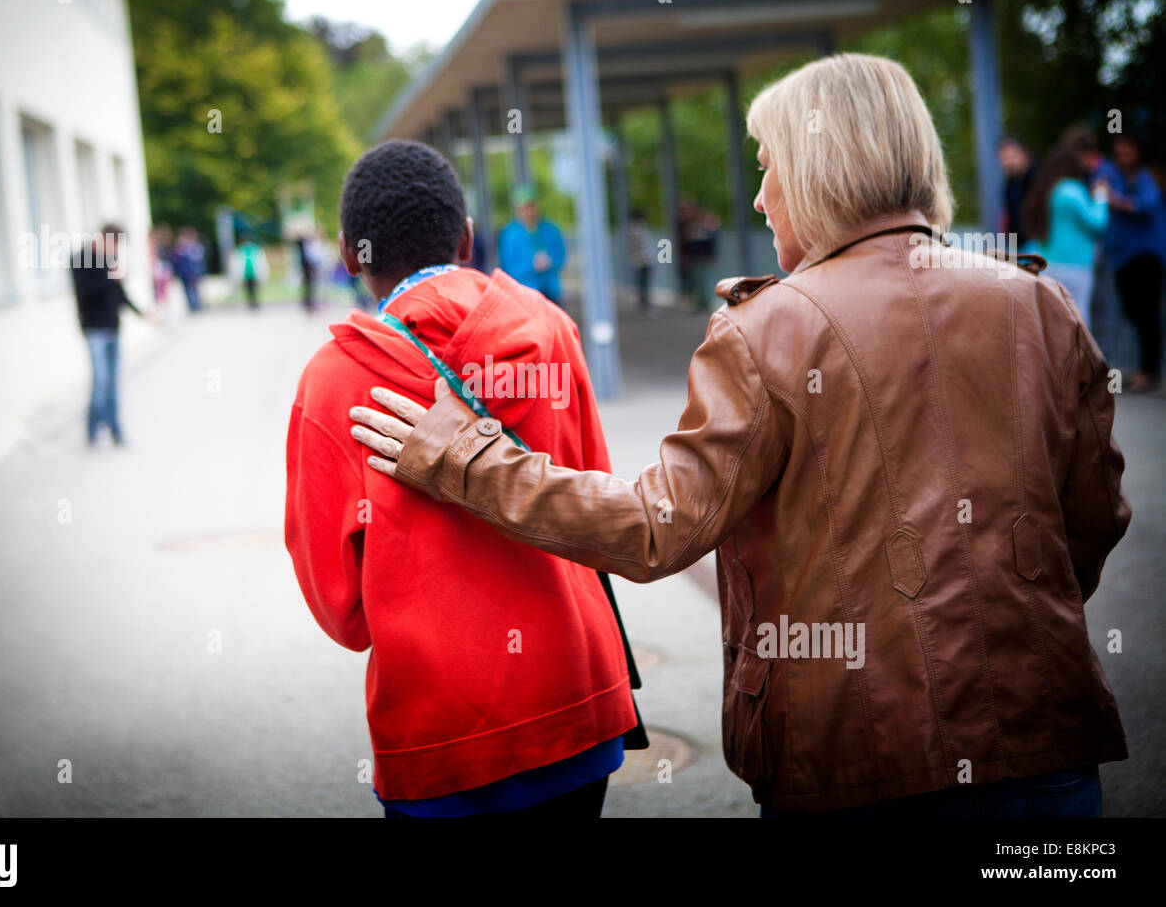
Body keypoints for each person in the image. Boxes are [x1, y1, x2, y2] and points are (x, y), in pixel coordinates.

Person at [351, 54, 1132, 818]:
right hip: (1049, 751)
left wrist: (467, 459)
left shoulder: (770, 330)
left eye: (769, 166)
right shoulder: (1041, 306)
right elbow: (1093, 523)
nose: (759, 199)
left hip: (856, 757)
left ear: (823, 169)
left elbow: (655, 531)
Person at [285, 139, 639, 818]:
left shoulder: (334, 382)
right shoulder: (552, 329)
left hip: (440, 731)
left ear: (348, 254)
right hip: (576, 696)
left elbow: (341, 609)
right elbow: (596, 498)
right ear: (469, 238)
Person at [70, 223, 148, 446]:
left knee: (113, 385)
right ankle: (93, 431)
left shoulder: (109, 259)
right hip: (94, 329)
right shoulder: (82, 258)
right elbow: (86, 292)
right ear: (104, 238)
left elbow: (119, 295)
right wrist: (111, 278)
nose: (116, 249)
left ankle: (116, 431)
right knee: (101, 382)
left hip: (113, 327)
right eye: (115, 243)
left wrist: (142, 313)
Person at [1104, 133, 1166, 391]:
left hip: (1146, 255)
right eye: (1120, 151)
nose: (1123, 156)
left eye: (1128, 150)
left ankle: (1149, 372)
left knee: (1146, 313)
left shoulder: (1146, 177)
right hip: (1123, 256)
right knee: (1133, 311)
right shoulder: (1116, 177)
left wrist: (1114, 200)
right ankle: (1143, 369)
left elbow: (1144, 205)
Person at [1020, 144, 1109, 325]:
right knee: (1079, 320)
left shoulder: (1048, 190)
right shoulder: (1072, 190)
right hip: (1076, 266)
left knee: (1055, 321)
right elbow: (1098, 223)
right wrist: (1101, 197)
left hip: (1049, 263)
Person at [496, 186, 566, 304]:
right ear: (517, 210)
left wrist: (550, 262)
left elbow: (560, 255)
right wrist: (531, 265)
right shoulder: (510, 235)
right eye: (524, 208)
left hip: (550, 290)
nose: (529, 211)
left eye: (531, 206)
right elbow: (508, 265)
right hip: (525, 292)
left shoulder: (550, 230)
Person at [998, 135, 1036, 242]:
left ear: (1022, 154)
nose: (1007, 162)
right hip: (1017, 244)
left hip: (1037, 243)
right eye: (1003, 158)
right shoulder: (1009, 184)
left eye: (1010, 157)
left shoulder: (1037, 178)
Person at [170, 226, 206, 312]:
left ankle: (195, 306)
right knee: (189, 290)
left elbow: (197, 261)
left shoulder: (193, 247)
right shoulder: (180, 248)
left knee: (193, 289)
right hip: (185, 272)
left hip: (192, 272)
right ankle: (193, 306)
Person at [628, 208, 656, 316]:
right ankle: (645, 305)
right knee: (645, 284)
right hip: (644, 260)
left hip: (638, 260)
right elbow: (643, 245)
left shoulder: (631, 229)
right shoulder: (639, 229)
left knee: (642, 284)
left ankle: (644, 304)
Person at [231, 232, 269, 311]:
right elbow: (236, 263)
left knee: (255, 289)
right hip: (245, 275)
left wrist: (264, 273)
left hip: (254, 274)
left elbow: (261, 262)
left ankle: (255, 303)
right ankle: (250, 303)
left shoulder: (256, 249)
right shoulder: (240, 250)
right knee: (247, 290)